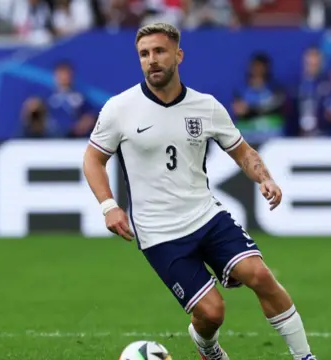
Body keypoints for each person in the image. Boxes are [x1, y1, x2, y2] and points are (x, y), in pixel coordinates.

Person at [82, 23, 316, 360]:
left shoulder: (206, 107)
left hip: (206, 215)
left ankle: (305, 357)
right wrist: (108, 206)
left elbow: (244, 152)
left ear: (178, 55)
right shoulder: (120, 109)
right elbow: (93, 159)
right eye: (144, 54)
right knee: (212, 313)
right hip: (159, 233)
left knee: (259, 275)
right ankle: (208, 348)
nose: (152, 60)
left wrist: (264, 178)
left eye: (160, 51)